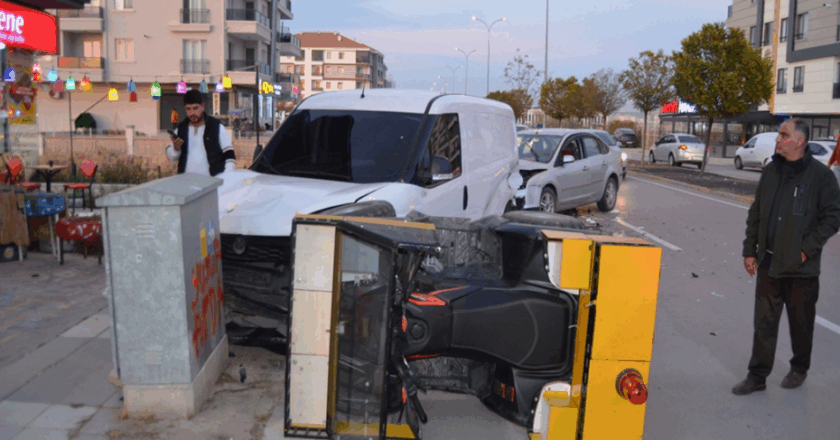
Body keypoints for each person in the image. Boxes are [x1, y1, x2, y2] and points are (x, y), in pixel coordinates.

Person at [733, 119, 840, 395]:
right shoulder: (771, 171)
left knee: (800, 324)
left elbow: (832, 218)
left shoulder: (821, 177)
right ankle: (757, 377)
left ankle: (799, 368)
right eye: (779, 135)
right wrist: (749, 249)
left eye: (783, 135)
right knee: (764, 324)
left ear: (799, 142)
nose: (778, 140)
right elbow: (756, 213)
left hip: (801, 270)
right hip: (768, 263)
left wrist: (806, 249)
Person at [166, 90, 236, 177]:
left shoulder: (216, 127)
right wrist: (176, 149)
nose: (192, 113)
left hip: (212, 184)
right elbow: (171, 158)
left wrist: (226, 177)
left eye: (195, 108)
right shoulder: (181, 129)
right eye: (188, 109)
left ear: (202, 107)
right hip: (186, 185)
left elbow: (229, 155)